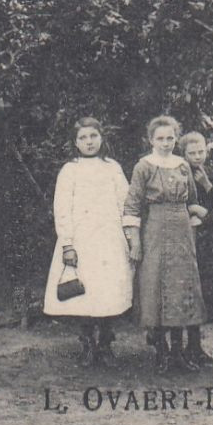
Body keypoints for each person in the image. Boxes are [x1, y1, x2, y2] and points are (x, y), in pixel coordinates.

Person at [43, 117, 133, 367]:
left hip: (109, 241)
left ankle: (105, 345)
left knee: (108, 292)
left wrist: (128, 235)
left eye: (93, 136)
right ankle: (87, 345)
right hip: (82, 240)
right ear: (75, 142)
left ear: (101, 138)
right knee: (84, 293)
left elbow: (125, 203)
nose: (89, 142)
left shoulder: (112, 167)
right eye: (83, 138)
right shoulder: (70, 170)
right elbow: (62, 209)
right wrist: (68, 244)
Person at [123, 115, 207, 372]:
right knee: (156, 285)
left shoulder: (182, 165)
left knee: (182, 286)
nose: (166, 143)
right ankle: (161, 352)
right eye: (160, 138)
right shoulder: (143, 167)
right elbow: (132, 205)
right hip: (156, 230)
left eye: (170, 138)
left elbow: (192, 199)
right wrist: (134, 240)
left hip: (182, 231)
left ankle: (178, 353)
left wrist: (202, 217)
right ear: (151, 140)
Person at [181, 131, 213, 365]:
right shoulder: (180, 172)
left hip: (207, 241)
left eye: (201, 152)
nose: (197, 156)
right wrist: (193, 209)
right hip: (188, 238)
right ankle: (183, 348)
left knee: (201, 292)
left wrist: (207, 185)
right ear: (184, 153)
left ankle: (195, 345)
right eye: (192, 153)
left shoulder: (205, 174)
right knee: (187, 291)